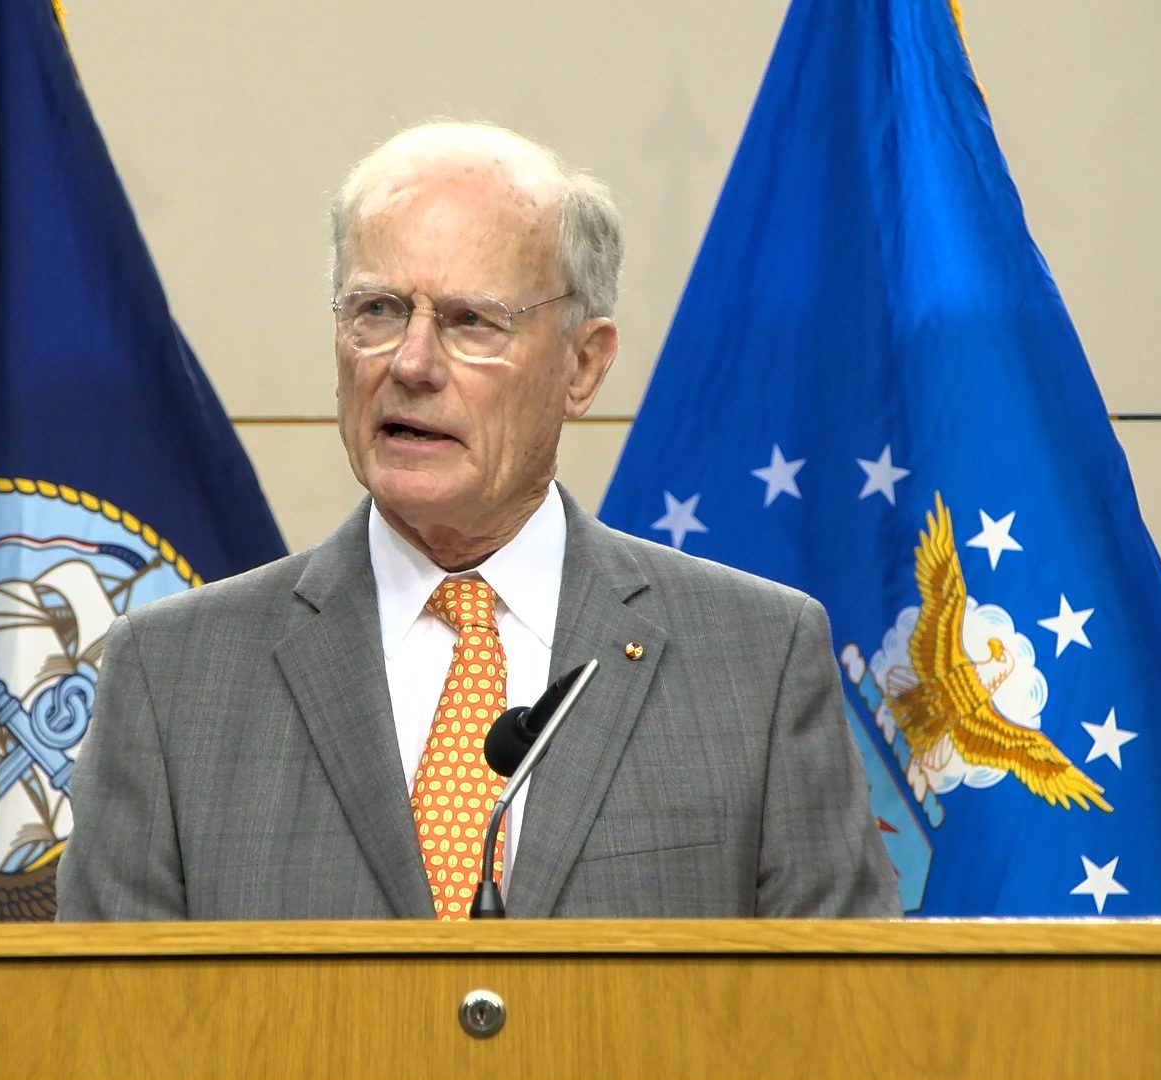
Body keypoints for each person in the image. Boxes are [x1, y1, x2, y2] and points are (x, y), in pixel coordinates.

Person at [56, 121, 899, 920]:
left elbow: (847, 1023)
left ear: (582, 364)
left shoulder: (756, 660)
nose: (411, 364)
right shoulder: (172, 679)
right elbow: (104, 1038)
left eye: (470, 322)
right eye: (378, 311)